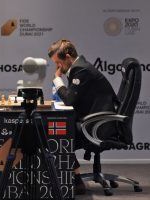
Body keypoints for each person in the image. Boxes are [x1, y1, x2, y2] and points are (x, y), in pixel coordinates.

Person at [48, 39, 118, 195]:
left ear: (67, 57)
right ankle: (75, 177)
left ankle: (76, 180)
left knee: (58, 136)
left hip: (99, 126)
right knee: (59, 132)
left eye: (58, 63)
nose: (58, 67)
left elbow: (69, 99)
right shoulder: (79, 68)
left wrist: (57, 79)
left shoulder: (82, 70)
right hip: (96, 120)